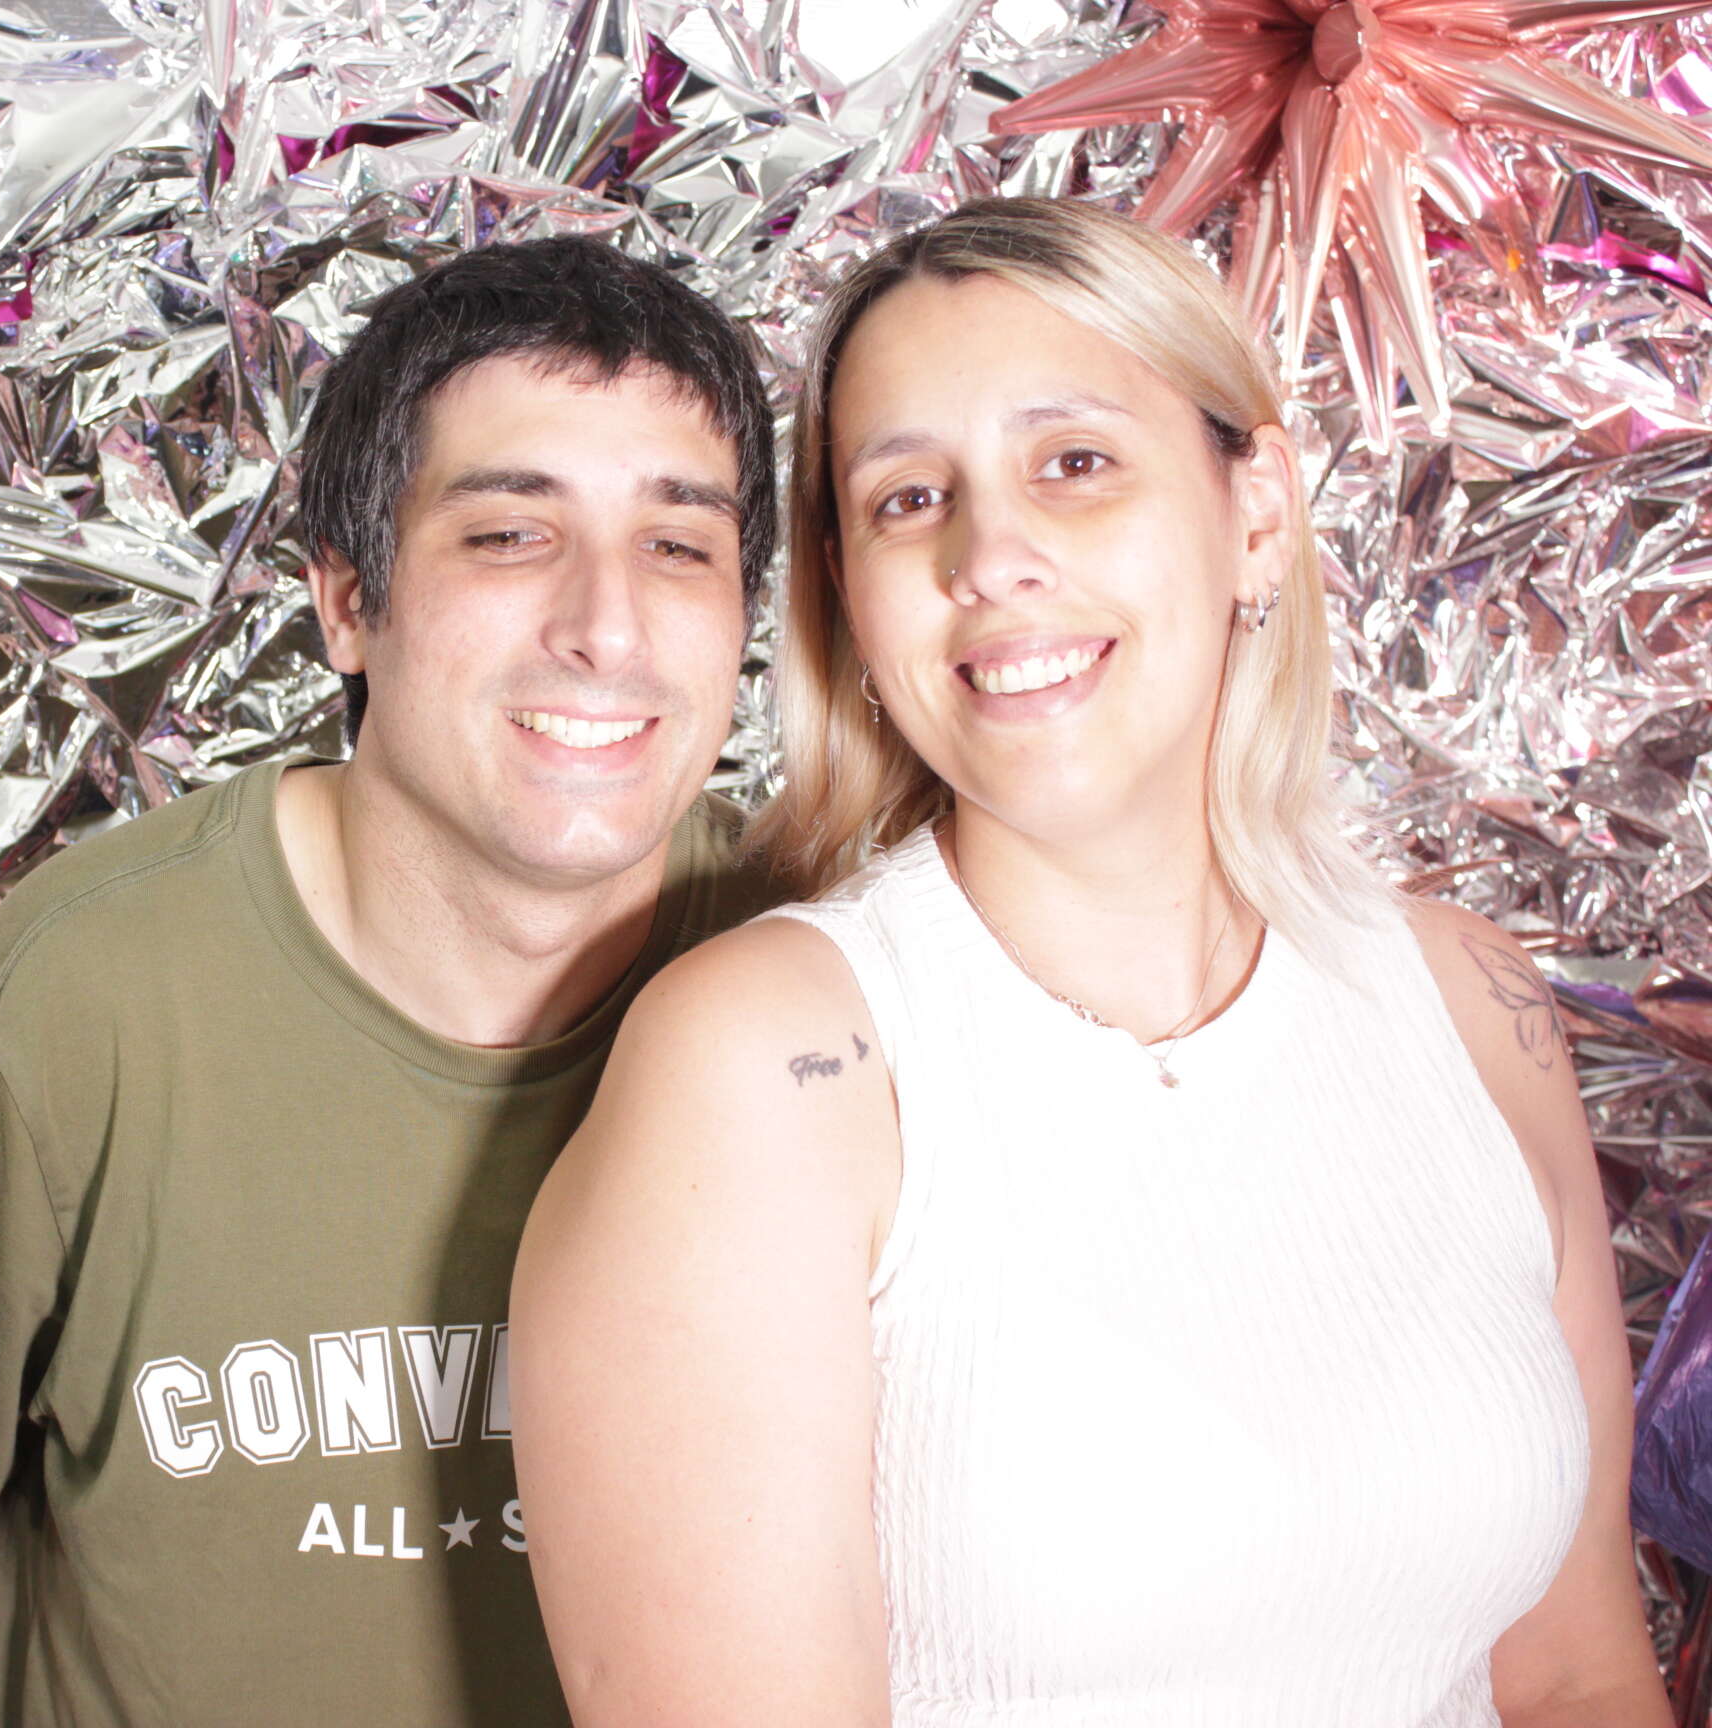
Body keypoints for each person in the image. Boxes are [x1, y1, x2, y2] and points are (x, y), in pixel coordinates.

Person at [510, 197, 1669, 1728]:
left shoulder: (1475, 1004)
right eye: (910, 498)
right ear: (852, 597)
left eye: (1074, 463)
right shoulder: (766, 1073)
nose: (993, 557)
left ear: (1256, 511)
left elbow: (1577, 1675)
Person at [0, 235, 782, 1728]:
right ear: (348, 602)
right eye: (509, 535)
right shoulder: (91, 992)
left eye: (679, 547)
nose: (606, 627)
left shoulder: (825, 988)